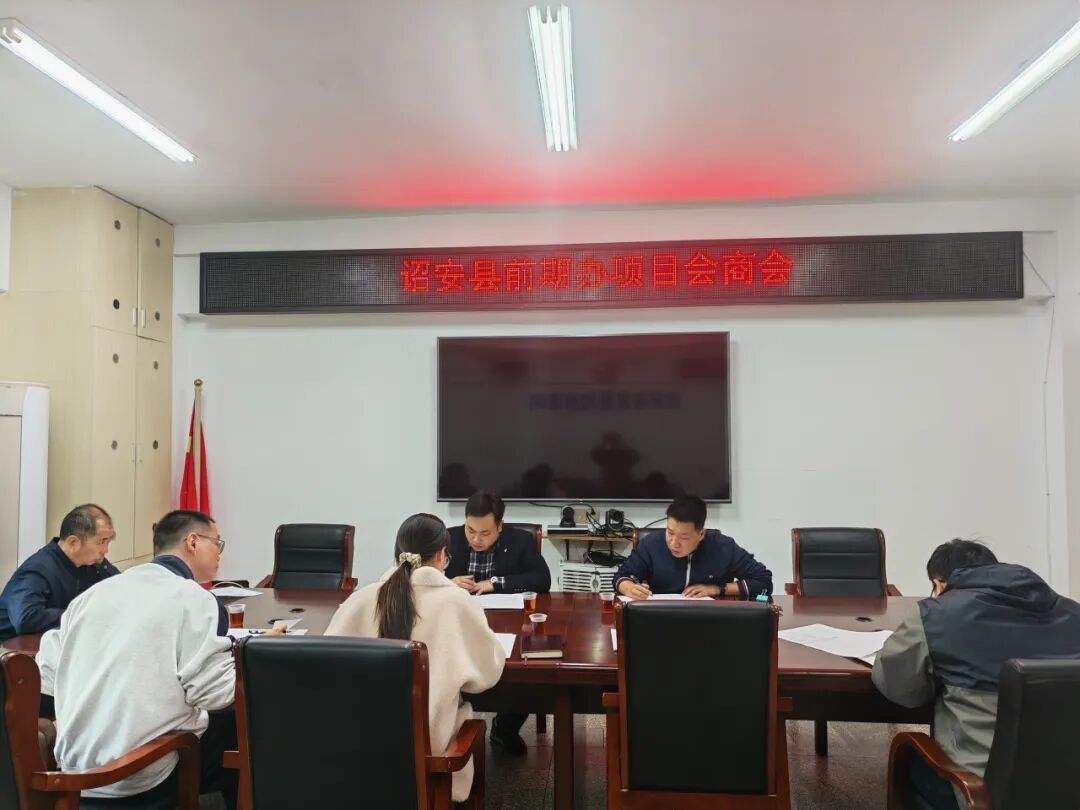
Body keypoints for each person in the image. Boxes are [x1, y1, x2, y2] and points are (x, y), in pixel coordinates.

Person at [36, 510, 277, 808]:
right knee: (237, 729)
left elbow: (47, 674)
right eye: (217, 543)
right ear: (193, 542)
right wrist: (252, 659)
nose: (219, 554)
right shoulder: (193, 598)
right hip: (137, 777)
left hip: (75, 772)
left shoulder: (93, 595)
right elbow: (214, 694)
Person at [872, 539, 1080, 809]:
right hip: (1069, 789)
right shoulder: (1073, 613)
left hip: (979, 795)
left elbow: (898, 687)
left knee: (909, 760)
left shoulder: (936, 616)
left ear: (939, 585)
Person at [326, 513, 506, 803]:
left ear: (397, 552)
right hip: (432, 752)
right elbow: (488, 673)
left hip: (358, 751)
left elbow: (325, 668)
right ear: (442, 554)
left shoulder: (360, 599)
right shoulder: (456, 602)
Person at [444, 491, 552, 755]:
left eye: (485, 533)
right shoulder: (449, 539)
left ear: (500, 527)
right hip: (459, 625)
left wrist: (495, 583)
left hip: (508, 624)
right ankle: (449, 728)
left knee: (530, 672)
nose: (476, 539)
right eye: (471, 531)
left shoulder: (520, 540)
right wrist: (448, 583)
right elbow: (422, 576)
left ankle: (504, 729)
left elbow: (542, 579)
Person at [614, 495, 773, 599]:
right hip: (660, 619)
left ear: (701, 534)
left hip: (711, 622)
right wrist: (629, 588)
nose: (674, 543)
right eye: (670, 532)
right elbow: (621, 577)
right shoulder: (651, 544)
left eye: (684, 537)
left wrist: (718, 589)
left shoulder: (723, 548)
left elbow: (764, 583)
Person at [0, 503, 118, 640]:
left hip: (55, 642)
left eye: (108, 541)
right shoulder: (38, 569)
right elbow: (25, 618)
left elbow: (122, 590)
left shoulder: (93, 564)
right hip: (12, 646)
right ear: (73, 543)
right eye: (101, 542)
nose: (105, 550)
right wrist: (81, 614)